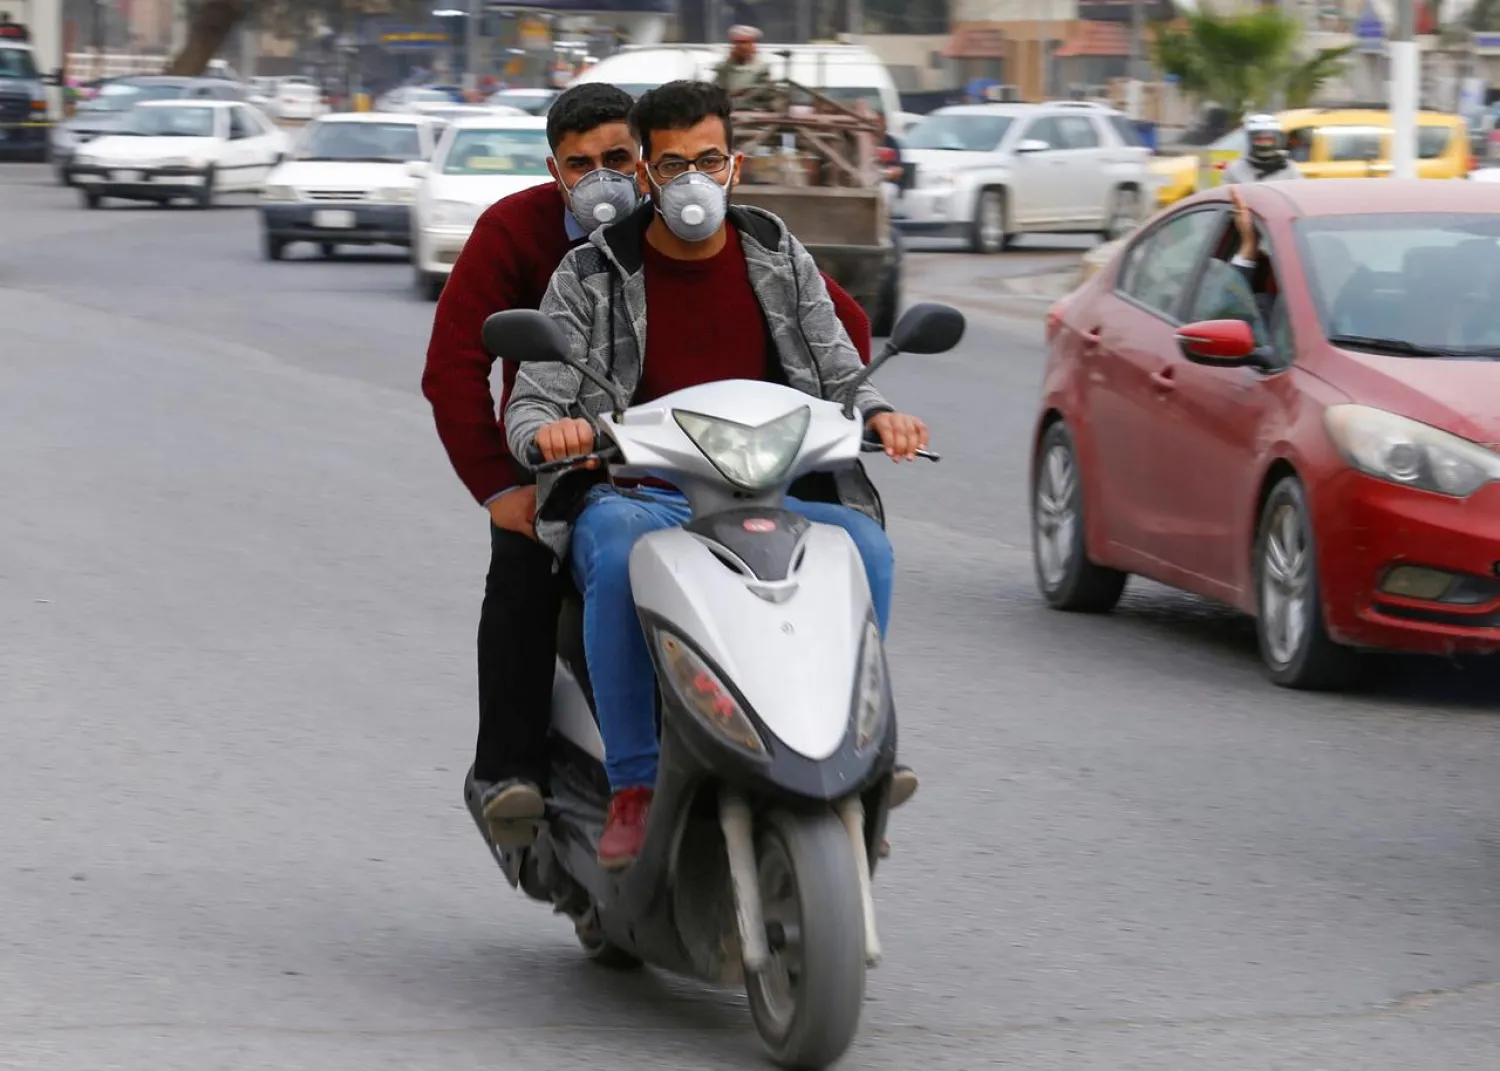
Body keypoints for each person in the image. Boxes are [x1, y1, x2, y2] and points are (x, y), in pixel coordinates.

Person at [421, 81, 897, 852]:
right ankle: (552, 774)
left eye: (703, 162)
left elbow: (837, 344)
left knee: (861, 545)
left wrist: (861, 415)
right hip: (604, 473)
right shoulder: (563, 258)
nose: (684, 183)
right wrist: (508, 479)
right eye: (590, 165)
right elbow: (462, 370)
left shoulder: (770, 248)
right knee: (544, 567)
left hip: (747, 469)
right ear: (565, 170)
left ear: (731, 164)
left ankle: (848, 740)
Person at [1221, 113, 1302, 185]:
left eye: (1268, 139)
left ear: (1277, 140)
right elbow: (1224, 198)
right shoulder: (1235, 170)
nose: (1264, 143)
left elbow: (1298, 197)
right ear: (1250, 140)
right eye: (1259, 139)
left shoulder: (1290, 169)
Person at [713, 25, 771, 93]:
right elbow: (716, 88)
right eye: (736, 42)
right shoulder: (723, 67)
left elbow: (765, 92)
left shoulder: (761, 68)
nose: (740, 46)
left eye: (744, 42)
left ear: (751, 45)